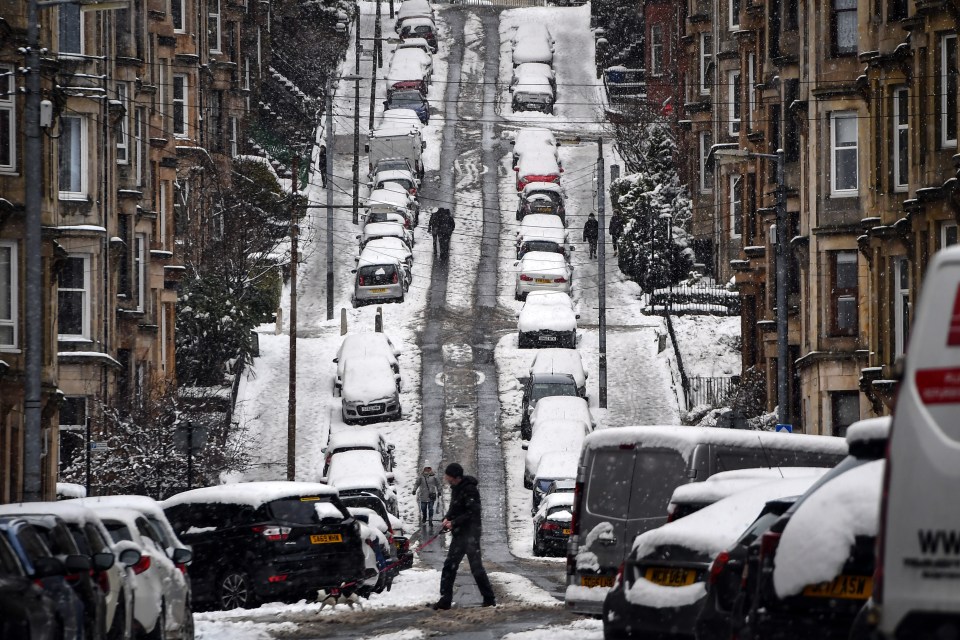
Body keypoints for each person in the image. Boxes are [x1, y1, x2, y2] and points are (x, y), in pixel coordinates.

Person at [432, 463, 496, 610]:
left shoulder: (470, 490)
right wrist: (447, 518)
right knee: (450, 566)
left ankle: (489, 598)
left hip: (470, 534)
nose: (445, 478)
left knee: (474, 568)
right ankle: (445, 600)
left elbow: (472, 513)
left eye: (447, 475)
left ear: (455, 477)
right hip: (460, 534)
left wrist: (454, 522)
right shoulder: (456, 489)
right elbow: (454, 507)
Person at [415, 462, 442, 527]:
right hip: (423, 495)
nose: (428, 469)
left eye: (429, 468)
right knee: (423, 508)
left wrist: (439, 491)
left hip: (431, 495)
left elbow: (438, 484)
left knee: (430, 508)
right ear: (424, 469)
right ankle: (424, 516)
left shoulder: (434, 476)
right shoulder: (421, 477)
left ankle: (430, 520)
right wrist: (414, 490)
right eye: (426, 468)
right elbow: (417, 483)